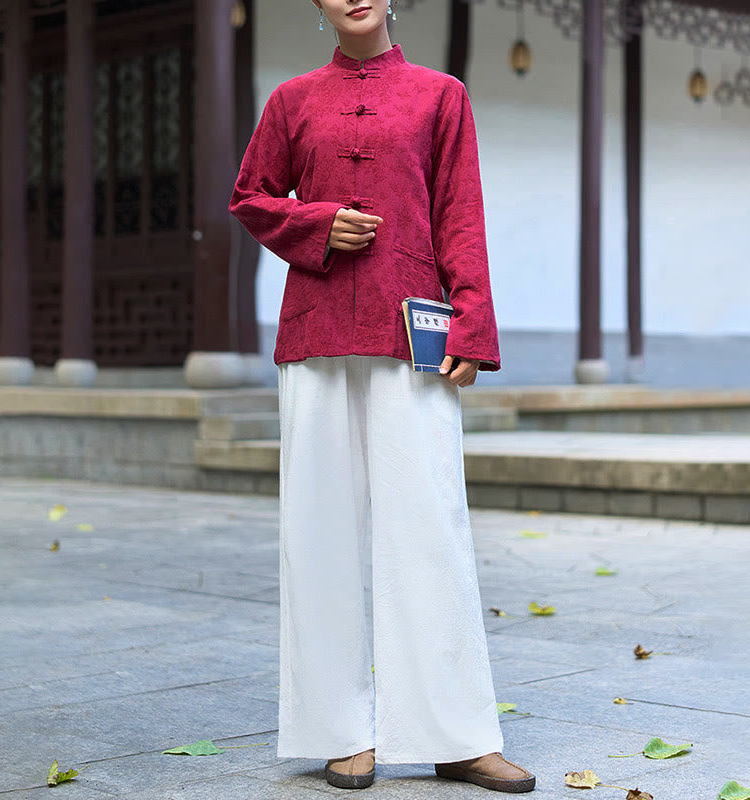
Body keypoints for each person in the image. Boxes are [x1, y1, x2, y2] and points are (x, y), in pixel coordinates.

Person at [228, 0, 535, 793]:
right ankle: (340, 730)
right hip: (317, 331)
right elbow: (252, 195)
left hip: (414, 334)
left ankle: (458, 734)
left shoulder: (441, 95)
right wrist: (317, 224)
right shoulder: (292, 101)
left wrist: (471, 325)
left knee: (431, 523)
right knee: (319, 531)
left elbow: (460, 214)